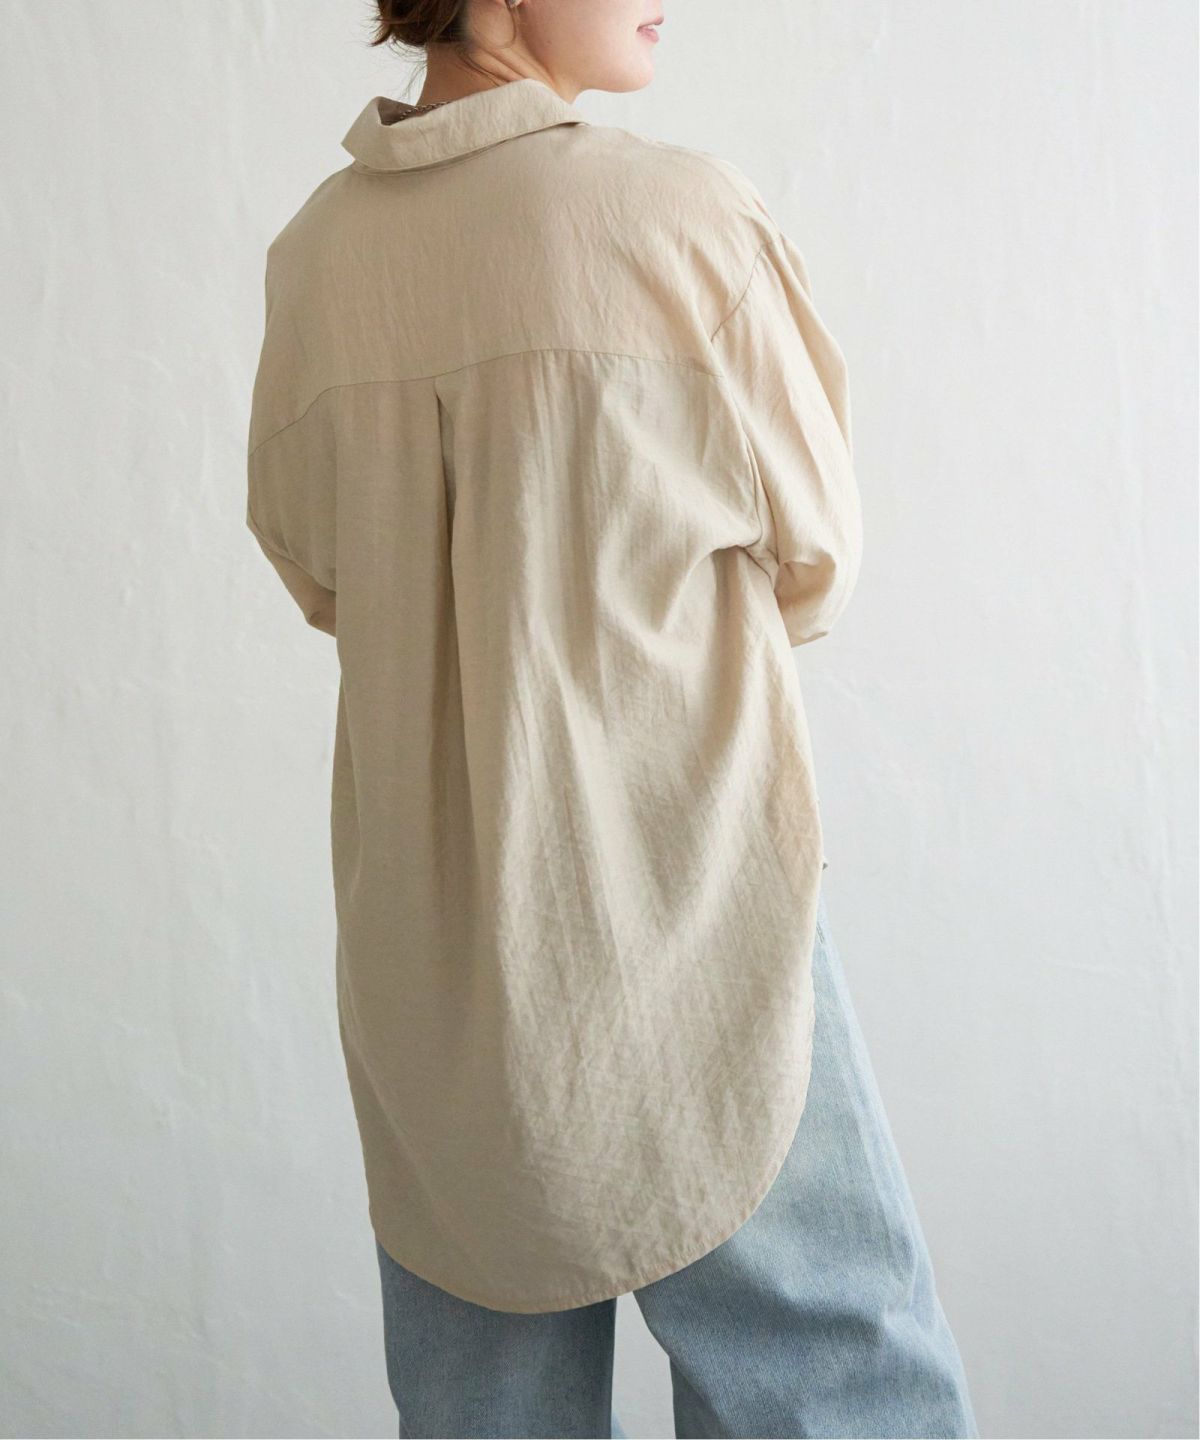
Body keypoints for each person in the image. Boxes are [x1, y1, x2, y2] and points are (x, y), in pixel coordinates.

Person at [244, 1, 979, 1435]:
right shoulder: (675, 218)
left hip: (432, 943)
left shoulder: (315, 256)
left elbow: (315, 564)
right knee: (835, 1378)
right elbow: (815, 555)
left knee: (483, 1403)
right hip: (691, 898)